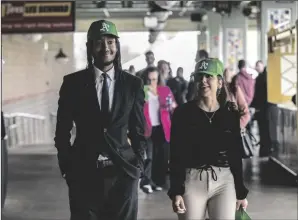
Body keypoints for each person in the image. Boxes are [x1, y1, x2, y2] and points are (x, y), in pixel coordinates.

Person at [54, 20, 146, 220]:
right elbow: (62, 131)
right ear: (90, 47)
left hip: (123, 173)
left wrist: (138, 165)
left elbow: (139, 130)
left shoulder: (133, 84)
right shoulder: (73, 84)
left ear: (117, 46)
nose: (106, 47)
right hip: (83, 173)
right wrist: (67, 167)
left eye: (111, 42)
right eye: (99, 42)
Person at [168, 58, 249, 220]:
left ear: (219, 82)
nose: (203, 81)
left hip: (224, 182)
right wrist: (176, 191)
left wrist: (240, 192)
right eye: (199, 77)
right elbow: (175, 154)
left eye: (208, 76)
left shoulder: (230, 115)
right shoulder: (182, 113)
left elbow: (235, 154)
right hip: (192, 181)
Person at [140, 67, 177, 193]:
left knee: (160, 157)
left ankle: (156, 182)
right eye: (149, 80)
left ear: (159, 79)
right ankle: (146, 182)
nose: (152, 83)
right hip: (148, 128)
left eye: (154, 79)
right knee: (149, 157)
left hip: (163, 128)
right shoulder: (143, 91)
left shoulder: (164, 90)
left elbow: (173, 106)